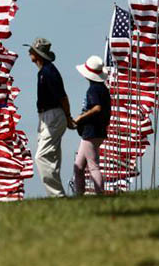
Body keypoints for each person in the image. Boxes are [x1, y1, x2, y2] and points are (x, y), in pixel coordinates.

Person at [25, 37, 74, 197]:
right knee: (51, 157)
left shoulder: (48, 72)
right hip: (47, 116)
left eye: (32, 50)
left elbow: (62, 97)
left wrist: (68, 117)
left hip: (53, 114)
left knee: (41, 156)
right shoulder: (44, 71)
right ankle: (57, 194)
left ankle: (57, 195)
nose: (29, 53)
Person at [72, 55, 111, 196]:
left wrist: (80, 117)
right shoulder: (103, 89)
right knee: (79, 166)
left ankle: (100, 193)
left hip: (91, 132)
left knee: (93, 165)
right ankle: (79, 194)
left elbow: (97, 108)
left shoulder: (93, 90)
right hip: (96, 131)